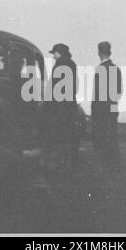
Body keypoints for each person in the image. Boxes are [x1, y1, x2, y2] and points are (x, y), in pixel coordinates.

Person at [43, 43, 79, 174]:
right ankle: (69, 165)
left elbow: (54, 86)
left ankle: (61, 166)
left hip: (59, 107)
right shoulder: (72, 64)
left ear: (59, 53)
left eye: (54, 53)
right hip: (69, 105)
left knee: (58, 137)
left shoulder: (59, 64)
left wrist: (47, 103)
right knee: (68, 137)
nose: (53, 55)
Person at [91, 41, 122, 173]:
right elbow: (119, 91)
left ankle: (103, 165)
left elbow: (97, 93)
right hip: (113, 108)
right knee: (112, 136)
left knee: (101, 137)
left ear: (99, 53)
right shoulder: (116, 68)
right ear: (110, 52)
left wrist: (95, 110)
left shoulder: (100, 69)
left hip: (101, 109)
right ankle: (114, 164)